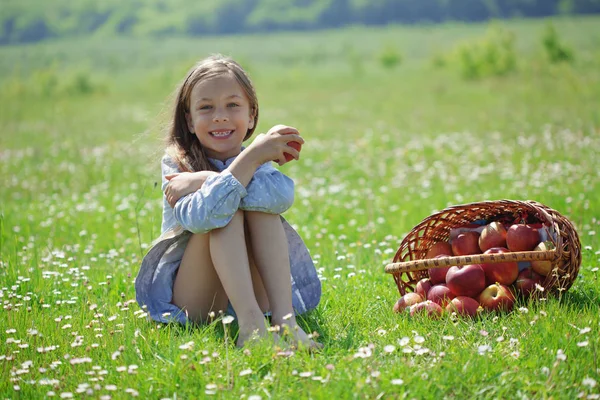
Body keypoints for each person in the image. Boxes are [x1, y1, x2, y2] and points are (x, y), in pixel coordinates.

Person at [135, 55, 321, 348]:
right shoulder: (177, 163)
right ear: (190, 120)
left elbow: (281, 198)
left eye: (232, 105)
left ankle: (286, 323)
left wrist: (205, 178)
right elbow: (201, 218)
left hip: (256, 293)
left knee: (261, 206)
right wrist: (249, 160)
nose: (220, 116)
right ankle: (251, 329)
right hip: (196, 300)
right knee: (224, 208)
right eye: (206, 107)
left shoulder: (255, 156)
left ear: (251, 115)